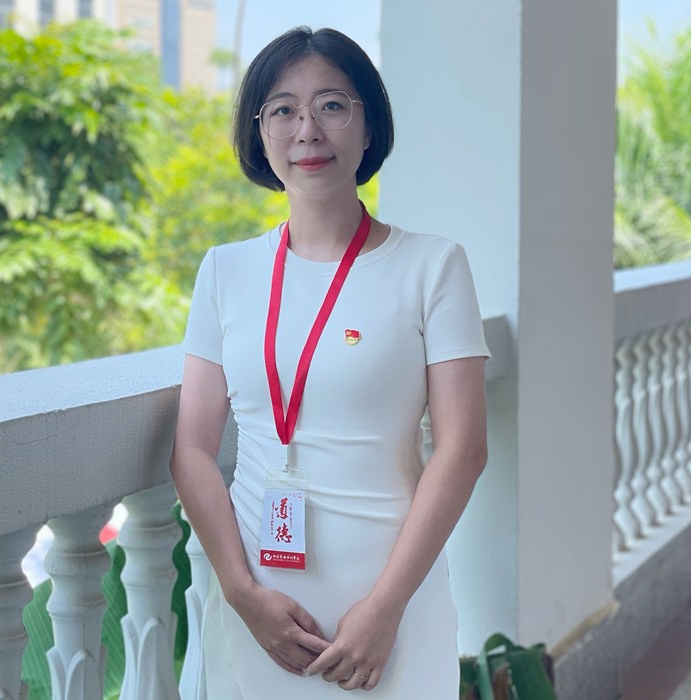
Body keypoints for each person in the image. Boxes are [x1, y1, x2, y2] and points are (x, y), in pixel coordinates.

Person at [170, 26, 490, 698]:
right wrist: (241, 593)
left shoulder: (433, 266)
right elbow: (192, 450)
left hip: (390, 611)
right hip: (263, 613)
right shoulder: (225, 272)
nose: (307, 130)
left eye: (332, 105)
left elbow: (463, 449)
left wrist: (385, 609)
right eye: (283, 110)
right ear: (260, 134)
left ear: (369, 127)